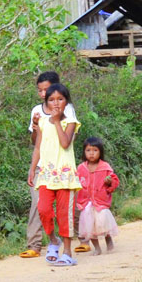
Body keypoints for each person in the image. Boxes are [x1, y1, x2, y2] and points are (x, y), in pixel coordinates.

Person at [20, 71, 79, 259]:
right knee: (41, 207)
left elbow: (65, 142)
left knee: (65, 210)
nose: (46, 95)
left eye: (49, 91)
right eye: (41, 91)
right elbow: (36, 143)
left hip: (63, 170)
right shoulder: (37, 112)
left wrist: (54, 120)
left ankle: (72, 246)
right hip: (44, 169)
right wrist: (36, 127)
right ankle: (42, 243)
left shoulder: (68, 111)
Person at [76, 137, 120, 255]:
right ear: (84, 152)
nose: (91, 153)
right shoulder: (81, 168)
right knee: (89, 225)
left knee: (102, 222)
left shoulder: (105, 167)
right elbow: (76, 181)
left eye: (95, 150)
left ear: (100, 152)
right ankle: (97, 247)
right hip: (86, 202)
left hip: (100, 201)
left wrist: (109, 182)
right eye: (88, 150)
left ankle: (108, 240)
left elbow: (115, 181)